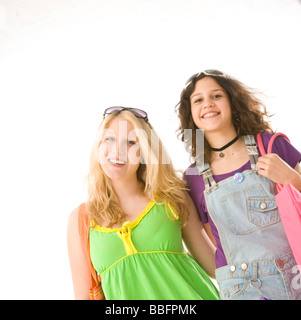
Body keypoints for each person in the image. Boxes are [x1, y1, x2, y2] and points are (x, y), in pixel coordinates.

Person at [67, 106, 220, 300]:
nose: (117, 150)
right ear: (98, 146)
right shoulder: (82, 219)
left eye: (130, 142)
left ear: (145, 152)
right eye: (109, 139)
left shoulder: (171, 197)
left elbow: (215, 267)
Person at [176, 70, 301, 300]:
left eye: (216, 96)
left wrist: (290, 178)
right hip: (241, 291)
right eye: (198, 100)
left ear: (232, 101)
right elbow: (213, 244)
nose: (208, 104)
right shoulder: (193, 178)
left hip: (295, 276)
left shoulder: (270, 145)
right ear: (190, 113)